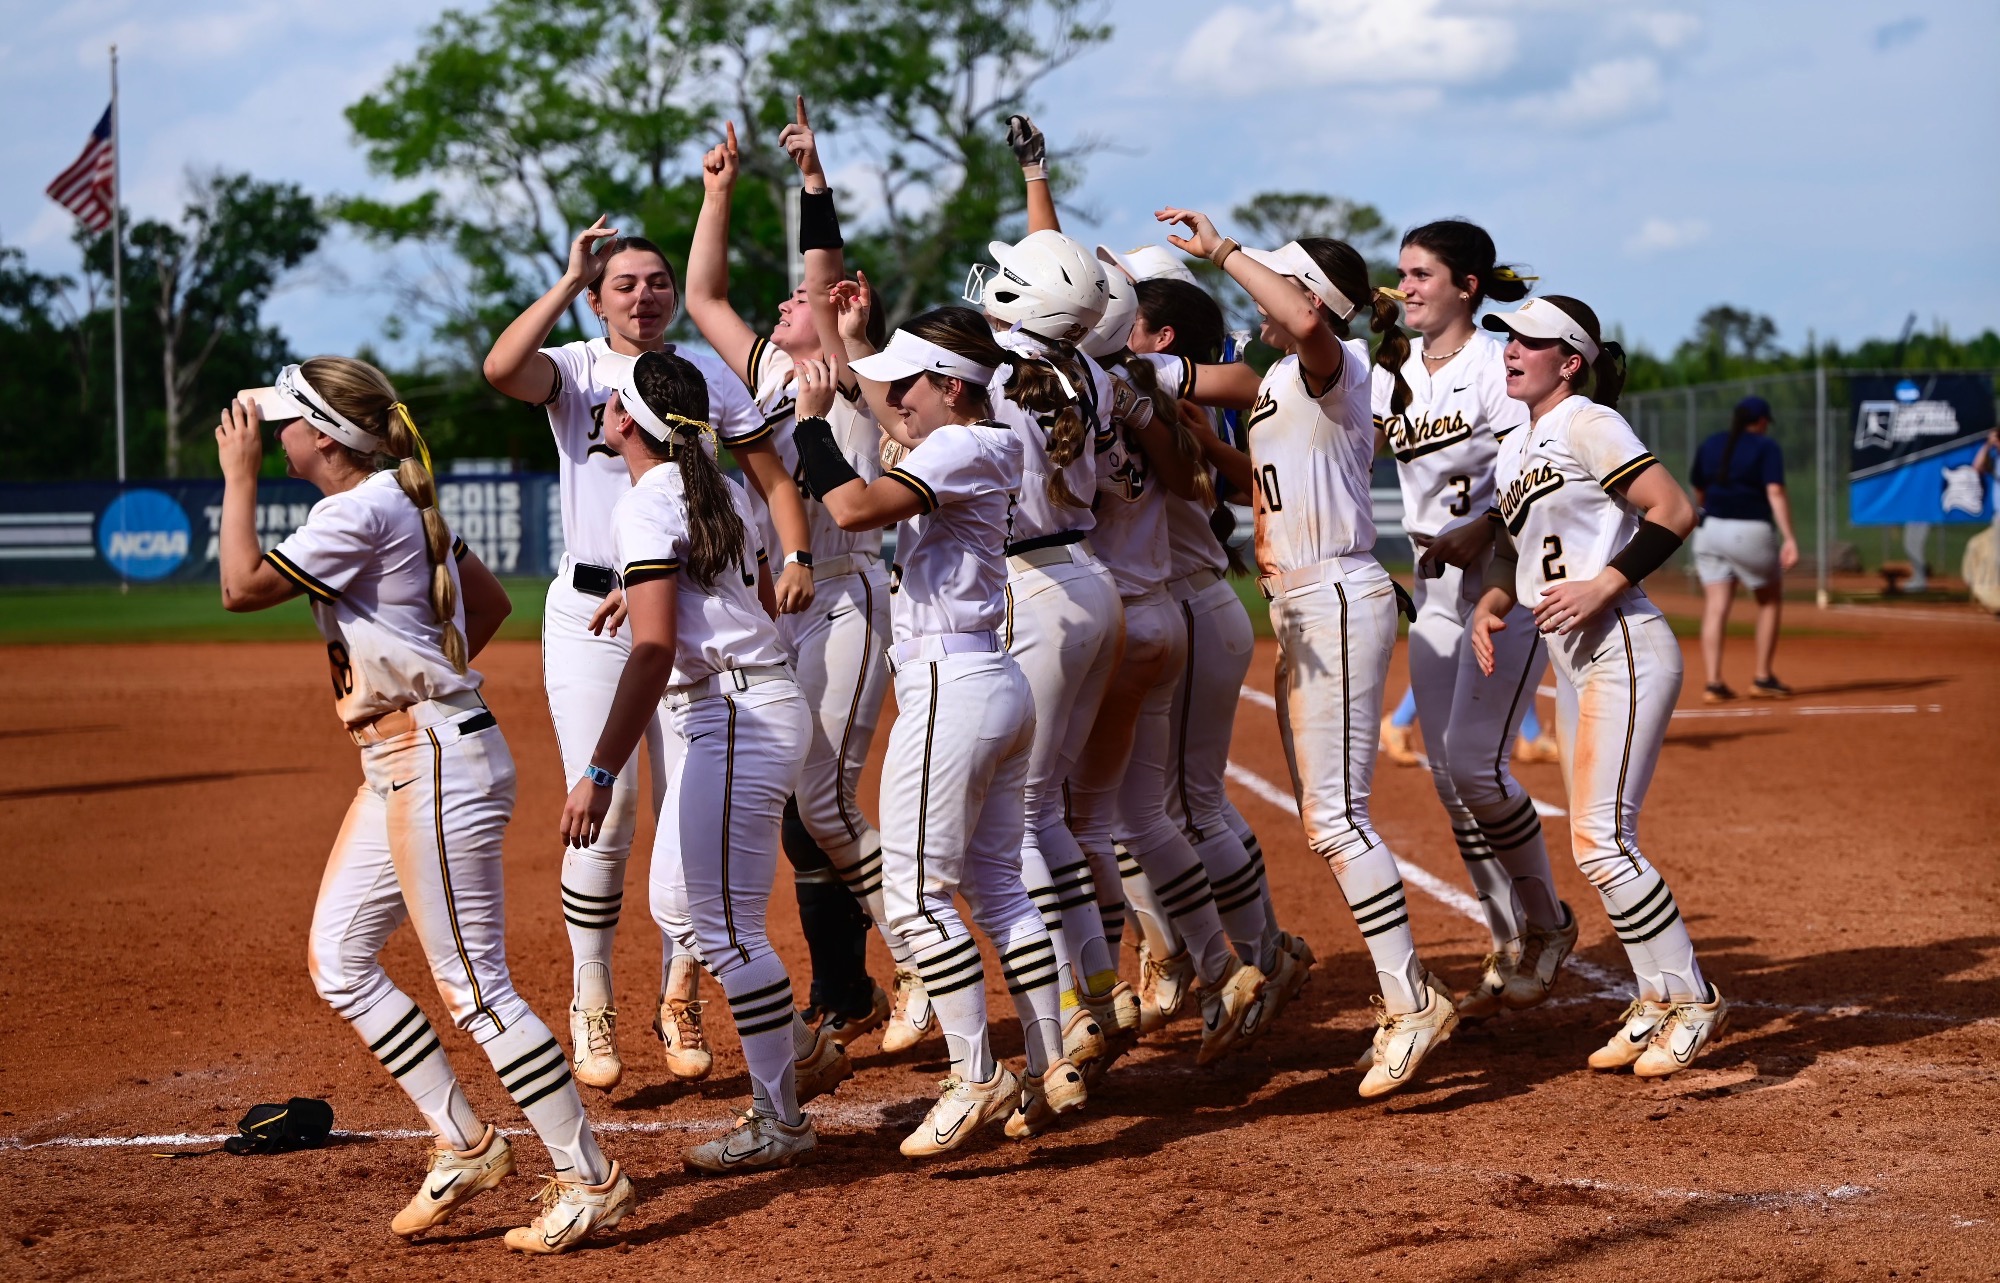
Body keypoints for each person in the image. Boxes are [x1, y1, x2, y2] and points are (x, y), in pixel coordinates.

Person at [216, 358, 631, 1253]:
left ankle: (589, 1178)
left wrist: (237, 477)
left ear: (325, 436)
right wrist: (428, 670)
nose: (276, 434)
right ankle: (466, 1142)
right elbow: (489, 602)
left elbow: (240, 586)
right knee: (340, 958)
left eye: (288, 421)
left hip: (433, 759)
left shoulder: (359, 510)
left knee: (476, 989)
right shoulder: (396, 499)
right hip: (409, 755)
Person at [483, 221, 815, 1092]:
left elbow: (769, 478)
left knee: (686, 806)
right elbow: (502, 369)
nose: (645, 294)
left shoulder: (700, 373)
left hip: (682, 605)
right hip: (592, 609)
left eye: (658, 280)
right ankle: (591, 995)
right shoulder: (581, 367)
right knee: (611, 800)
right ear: (598, 300)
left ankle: (681, 991)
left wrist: (795, 554)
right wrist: (567, 279)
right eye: (624, 283)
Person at [1156, 206, 1460, 1098]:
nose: (1261, 300)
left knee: (1337, 819)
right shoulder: (1283, 377)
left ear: (1311, 300)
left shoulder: (1336, 360)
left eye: (1280, 283)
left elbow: (1304, 321)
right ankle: (1405, 996)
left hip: (1334, 594)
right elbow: (1255, 468)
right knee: (1326, 817)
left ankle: (1411, 1000)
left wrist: (1223, 249)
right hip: (1302, 600)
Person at [805, 303, 1085, 1152]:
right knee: (999, 887)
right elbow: (892, 416)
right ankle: (1050, 1062)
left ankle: (975, 1074)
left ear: (952, 386)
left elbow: (853, 508)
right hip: (989, 678)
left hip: (951, 688)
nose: (896, 399)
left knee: (916, 895)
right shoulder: (981, 437)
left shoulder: (961, 445)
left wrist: (814, 425)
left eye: (911, 383)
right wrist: (851, 344)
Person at [558, 349, 822, 1174]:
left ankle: (780, 1115)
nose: (604, 410)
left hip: (734, 715)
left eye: (612, 402)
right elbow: (728, 600)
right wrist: (645, 594)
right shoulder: (719, 487)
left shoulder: (645, 502)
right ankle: (796, 1048)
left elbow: (651, 653)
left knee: (728, 928)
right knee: (682, 903)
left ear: (624, 423)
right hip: (755, 702)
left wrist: (600, 772)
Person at [683, 106, 898, 1047]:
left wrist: (814, 180)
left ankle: (921, 968)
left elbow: (818, 274)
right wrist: (718, 193)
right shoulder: (775, 370)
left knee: (824, 802)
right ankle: (850, 988)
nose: (782, 307)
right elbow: (702, 297)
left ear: (840, 302)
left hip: (846, 593)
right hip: (784, 608)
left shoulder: (855, 371)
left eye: (799, 299)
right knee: (804, 809)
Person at [1473, 295, 1728, 1078]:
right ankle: (1654, 997)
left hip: (1623, 643)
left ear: (1571, 361)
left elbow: (1673, 509)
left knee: (1602, 839)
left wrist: (1605, 583)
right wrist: (1491, 601)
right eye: (1508, 339)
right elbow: (1515, 544)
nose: (1511, 350)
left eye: (1530, 341)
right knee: (1597, 843)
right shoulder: (1517, 444)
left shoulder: (1588, 421)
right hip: (1575, 655)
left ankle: (1693, 997)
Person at [1110, 260, 1317, 1043]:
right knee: (1177, 805)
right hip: (1187, 607)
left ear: (1163, 339)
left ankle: (1256, 957)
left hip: (1192, 605)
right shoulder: (1140, 387)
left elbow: (1245, 383)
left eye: (1130, 319)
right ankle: (1240, 954)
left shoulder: (1152, 389)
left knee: (1187, 805)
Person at [1377, 218, 1574, 1020]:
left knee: (1476, 764)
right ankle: (1508, 935)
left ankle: (1548, 921)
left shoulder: (1496, 367)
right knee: (1447, 776)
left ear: (1466, 286)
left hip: (1504, 586)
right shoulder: (1391, 369)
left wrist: (1483, 526)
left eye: (1422, 274)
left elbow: (1532, 473)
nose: (1406, 287)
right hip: (1434, 591)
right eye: (1402, 273)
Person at [1689, 394, 1799, 701]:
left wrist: (1708, 507)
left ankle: (1713, 683)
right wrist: (1790, 538)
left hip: (1709, 530)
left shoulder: (1712, 443)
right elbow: (1775, 491)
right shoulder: (1766, 447)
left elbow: (1698, 487)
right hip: (1748, 530)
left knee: (1716, 606)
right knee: (1768, 600)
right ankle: (1763, 677)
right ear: (1762, 421)